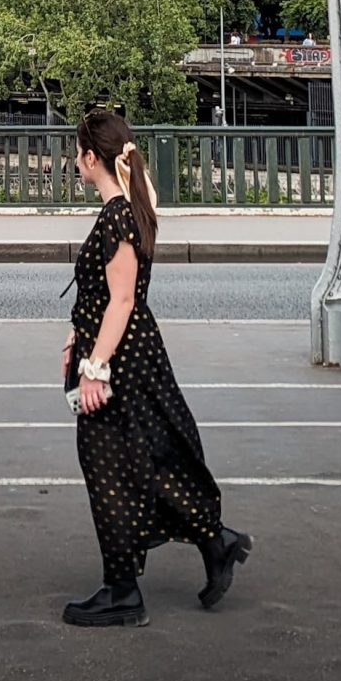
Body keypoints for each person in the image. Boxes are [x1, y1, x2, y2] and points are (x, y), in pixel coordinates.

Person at [62, 102, 252, 628]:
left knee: (110, 468)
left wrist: (94, 367)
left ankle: (123, 590)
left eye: (77, 153)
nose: (75, 162)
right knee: (146, 461)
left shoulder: (118, 213)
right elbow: (105, 298)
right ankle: (215, 541)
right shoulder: (128, 208)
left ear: (90, 157)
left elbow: (122, 300)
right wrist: (76, 337)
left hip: (122, 360)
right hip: (130, 353)